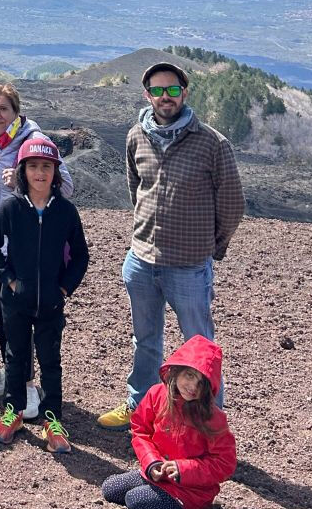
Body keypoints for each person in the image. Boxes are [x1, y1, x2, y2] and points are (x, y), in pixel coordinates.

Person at [98, 62, 245, 430]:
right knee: (145, 340)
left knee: (200, 348)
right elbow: (137, 190)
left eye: (173, 90)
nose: (166, 97)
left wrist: (212, 246)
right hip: (141, 260)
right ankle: (140, 405)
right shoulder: (137, 136)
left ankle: (210, 423)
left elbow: (231, 204)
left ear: (185, 92)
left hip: (189, 266)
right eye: (158, 90)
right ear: (147, 95)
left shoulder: (212, 143)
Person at [0, 83, 73, 411]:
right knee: (3, 314)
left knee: (29, 317)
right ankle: (15, 373)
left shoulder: (34, 142)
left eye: (3, 109)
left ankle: (28, 386)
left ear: (16, 112)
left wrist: (23, 182)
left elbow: (66, 187)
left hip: (29, 246)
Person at [0, 137, 88, 453]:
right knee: (16, 358)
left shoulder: (66, 212)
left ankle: (51, 419)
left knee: (50, 361)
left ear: (55, 173)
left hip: (51, 304)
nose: (39, 173)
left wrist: (65, 288)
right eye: (32, 167)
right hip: (15, 301)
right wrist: (10, 281)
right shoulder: (10, 208)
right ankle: (13, 412)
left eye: (46, 167)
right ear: (22, 171)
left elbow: (81, 255)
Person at [101, 335, 236, 509]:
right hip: (157, 475)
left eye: (201, 382)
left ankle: (194, 507)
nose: (193, 386)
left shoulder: (212, 417)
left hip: (191, 492)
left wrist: (183, 470)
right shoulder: (157, 394)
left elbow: (224, 463)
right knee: (110, 489)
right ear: (177, 370)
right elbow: (140, 430)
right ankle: (152, 488)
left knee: (135, 501)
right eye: (189, 375)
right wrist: (151, 463)